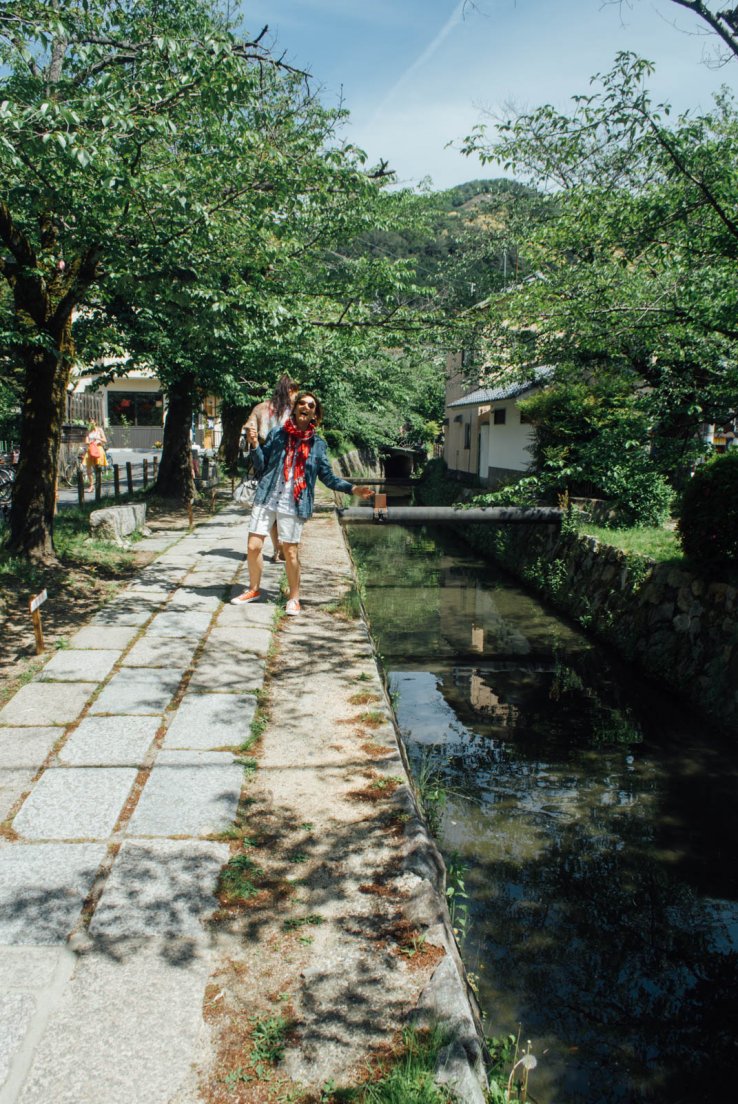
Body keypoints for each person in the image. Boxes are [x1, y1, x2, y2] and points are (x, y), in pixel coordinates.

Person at [231, 391, 373, 615]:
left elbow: (327, 477)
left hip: (294, 502)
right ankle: (254, 589)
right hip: (267, 495)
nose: (306, 406)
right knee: (253, 546)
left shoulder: (318, 445)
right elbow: (261, 465)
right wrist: (255, 444)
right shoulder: (278, 434)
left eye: (311, 405)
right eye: (302, 403)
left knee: (291, 552)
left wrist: (353, 488)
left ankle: (294, 597)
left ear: (315, 414)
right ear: (295, 408)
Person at [242, 375, 299, 561]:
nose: (296, 395)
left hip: (265, 462)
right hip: (277, 464)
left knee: (273, 507)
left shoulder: (261, 408)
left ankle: (278, 548)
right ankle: (279, 547)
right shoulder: (292, 412)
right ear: (289, 390)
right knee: (280, 508)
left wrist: (252, 437)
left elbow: (247, 428)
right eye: (294, 390)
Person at [84, 423, 107, 492]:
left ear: (95, 422)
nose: (91, 423)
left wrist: (98, 438)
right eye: (89, 421)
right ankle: (91, 485)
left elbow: (105, 440)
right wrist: (90, 442)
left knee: (97, 467)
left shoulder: (99, 430)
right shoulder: (88, 431)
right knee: (88, 467)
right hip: (91, 449)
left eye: (92, 421)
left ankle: (98, 483)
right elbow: (86, 441)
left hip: (98, 448)